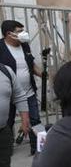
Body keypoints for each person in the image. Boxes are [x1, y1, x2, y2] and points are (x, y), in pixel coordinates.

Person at [0, 20, 42, 155]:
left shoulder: (24, 46)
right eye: (19, 31)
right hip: (8, 96)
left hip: (29, 92)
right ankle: (6, 150)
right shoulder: (0, 47)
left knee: (36, 120)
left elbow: (32, 65)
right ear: (9, 34)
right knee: (7, 123)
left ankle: (39, 148)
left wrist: (43, 75)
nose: (23, 34)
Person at [0, 63, 30, 167]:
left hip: (3, 128)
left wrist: (24, 121)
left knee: (4, 162)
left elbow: (19, 95)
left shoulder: (6, 71)